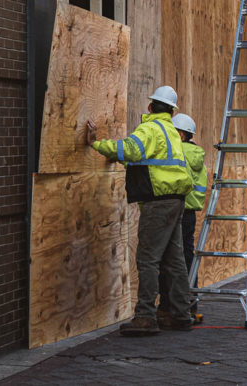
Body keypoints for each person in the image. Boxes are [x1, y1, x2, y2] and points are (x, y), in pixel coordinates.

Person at [86, 85, 194, 335]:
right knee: (174, 260)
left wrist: (96, 144)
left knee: (147, 258)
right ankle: (180, 314)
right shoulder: (171, 130)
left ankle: (145, 315)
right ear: (171, 110)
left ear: (150, 107)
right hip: (176, 200)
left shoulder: (150, 128)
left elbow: (128, 150)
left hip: (158, 201)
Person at [158, 112, 207, 325]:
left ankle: (170, 306)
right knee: (187, 257)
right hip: (190, 213)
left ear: (180, 134)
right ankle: (190, 303)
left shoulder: (179, 152)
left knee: (169, 259)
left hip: (175, 210)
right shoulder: (197, 155)